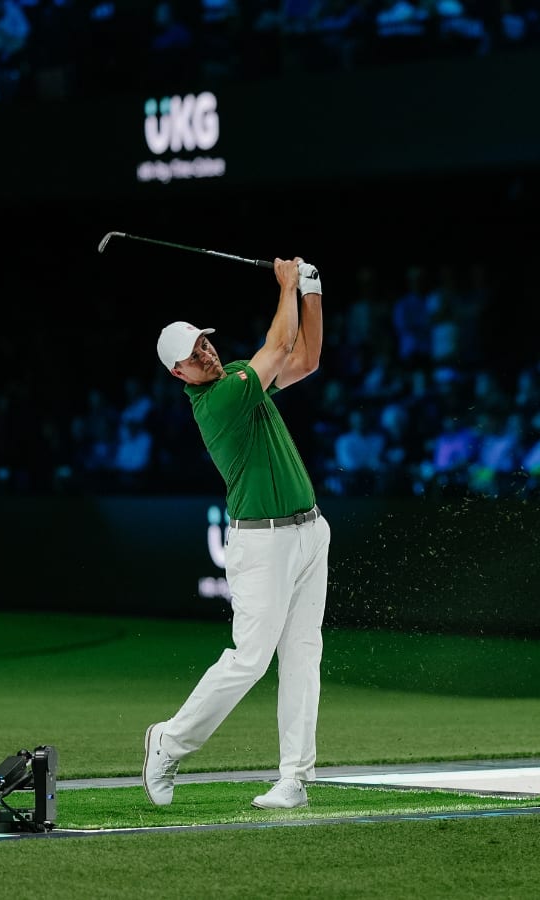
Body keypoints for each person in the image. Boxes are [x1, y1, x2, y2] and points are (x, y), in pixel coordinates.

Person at [144, 256, 330, 810]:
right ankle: (168, 742)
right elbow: (280, 343)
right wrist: (287, 285)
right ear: (179, 374)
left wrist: (312, 290)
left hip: (309, 531)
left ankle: (294, 778)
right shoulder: (218, 402)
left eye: (204, 342)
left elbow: (307, 359)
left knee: (303, 655)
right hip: (262, 542)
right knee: (250, 658)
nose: (206, 353)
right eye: (193, 354)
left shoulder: (240, 378)